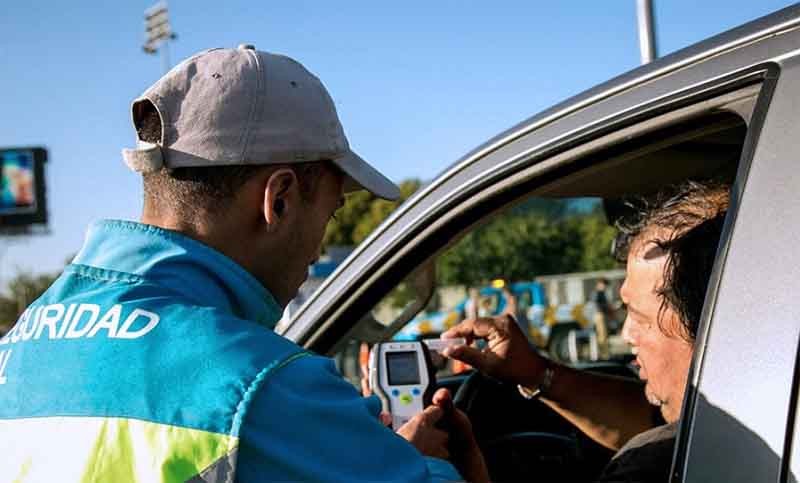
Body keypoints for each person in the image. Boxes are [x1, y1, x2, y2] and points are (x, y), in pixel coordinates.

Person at [0, 46, 487, 482]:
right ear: (279, 199)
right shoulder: (267, 383)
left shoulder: (18, 348)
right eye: (331, 212)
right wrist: (425, 464)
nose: (319, 247)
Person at [442, 180, 729, 482]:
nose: (627, 334)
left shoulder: (652, 468)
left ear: (708, 325)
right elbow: (649, 421)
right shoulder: (728, 429)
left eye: (640, 317)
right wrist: (535, 372)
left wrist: (460, 471)